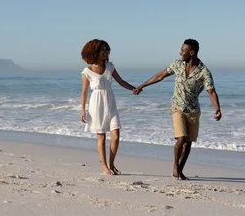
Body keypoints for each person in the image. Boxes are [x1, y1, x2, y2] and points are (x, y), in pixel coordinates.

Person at [134, 39, 222, 180]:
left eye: (183, 50)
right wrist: (142, 85)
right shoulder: (177, 64)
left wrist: (217, 109)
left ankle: (180, 170)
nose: (180, 52)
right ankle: (175, 167)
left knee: (188, 142)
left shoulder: (204, 72)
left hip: (193, 110)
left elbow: (211, 91)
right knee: (181, 138)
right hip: (177, 107)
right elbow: (160, 75)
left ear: (191, 52)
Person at [80, 39, 136, 175]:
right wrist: (82, 110)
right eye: (102, 50)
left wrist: (133, 88)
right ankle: (105, 167)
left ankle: (112, 164)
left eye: (106, 49)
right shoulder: (87, 71)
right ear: (95, 52)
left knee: (116, 135)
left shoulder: (110, 67)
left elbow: (121, 81)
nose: (105, 52)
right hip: (96, 104)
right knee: (101, 136)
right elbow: (84, 91)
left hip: (111, 102)